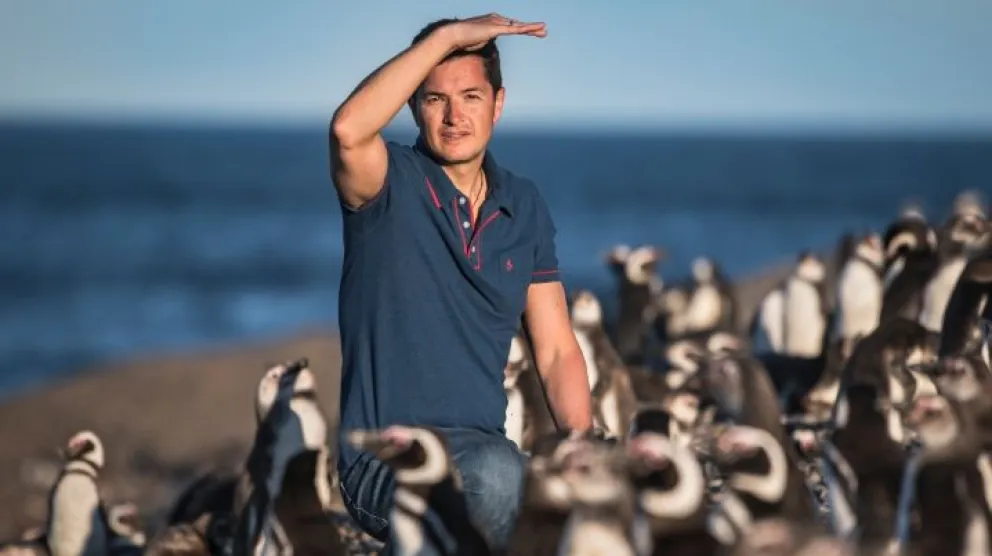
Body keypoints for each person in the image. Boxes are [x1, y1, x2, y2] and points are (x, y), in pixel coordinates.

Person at [328, 13, 593, 553]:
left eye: (471, 97)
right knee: (498, 478)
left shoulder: (524, 206)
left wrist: (584, 445)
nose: (454, 116)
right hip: (385, 460)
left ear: (498, 103)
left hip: (485, 452)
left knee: (557, 503)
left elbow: (557, 350)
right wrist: (445, 39)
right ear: (411, 105)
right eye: (434, 100)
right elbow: (348, 129)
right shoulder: (385, 186)